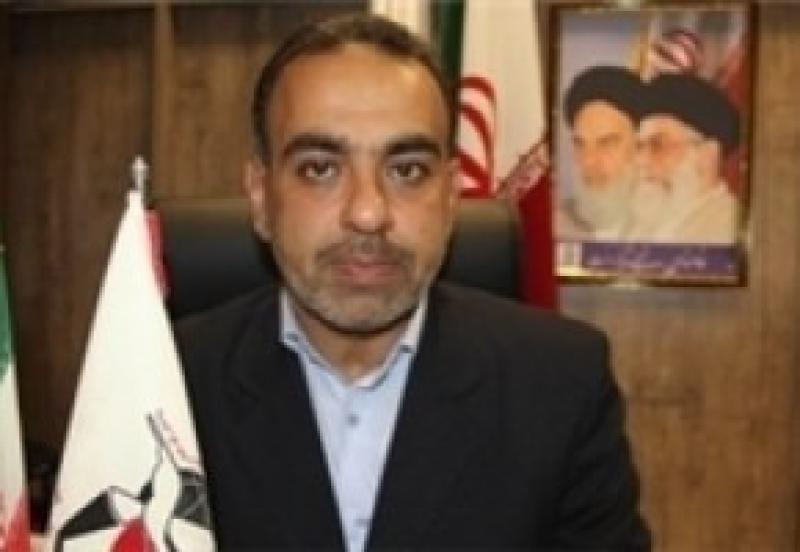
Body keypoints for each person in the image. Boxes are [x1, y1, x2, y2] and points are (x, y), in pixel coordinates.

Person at [176, 14, 650, 551]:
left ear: (450, 198)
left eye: (406, 170)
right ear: (261, 198)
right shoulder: (167, 382)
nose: (368, 213)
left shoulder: (561, 385)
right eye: (319, 168)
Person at [628, 73, 740, 243]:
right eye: (639, 146)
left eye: (658, 145)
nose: (641, 161)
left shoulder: (732, 228)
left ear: (707, 154)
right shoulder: (640, 229)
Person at [557, 65, 646, 241]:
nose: (589, 161)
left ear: (640, 146)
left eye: (606, 143)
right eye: (580, 144)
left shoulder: (678, 227)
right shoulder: (557, 225)